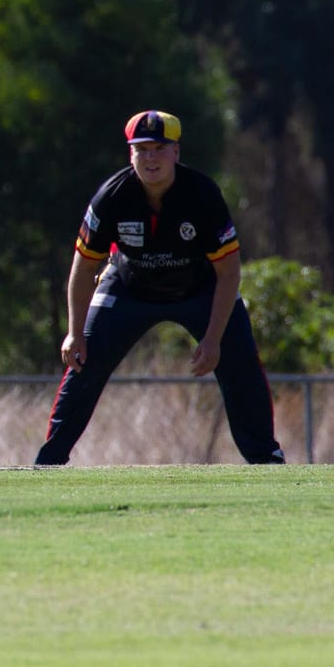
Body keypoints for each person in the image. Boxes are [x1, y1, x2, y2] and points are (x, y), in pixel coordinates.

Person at [33, 110, 285, 467]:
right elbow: (83, 265)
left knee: (240, 364)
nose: (150, 158)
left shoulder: (202, 195)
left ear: (176, 153)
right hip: (128, 287)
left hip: (200, 289)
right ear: (130, 155)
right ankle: (49, 461)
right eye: (142, 150)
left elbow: (229, 272)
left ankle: (266, 459)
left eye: (159, 149)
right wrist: (74, 334)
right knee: (82, 364)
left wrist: (213, 340)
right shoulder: (111, 196)